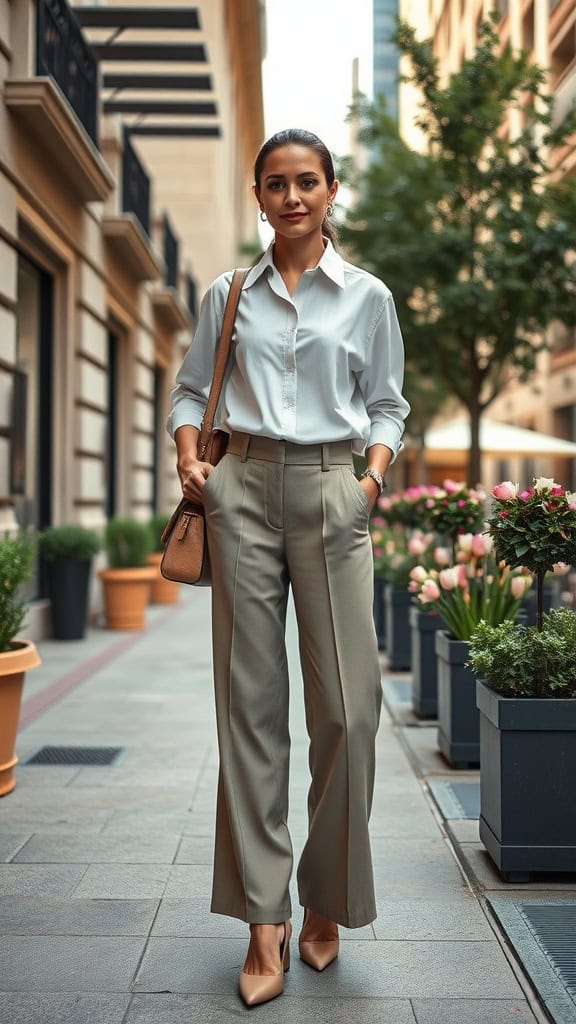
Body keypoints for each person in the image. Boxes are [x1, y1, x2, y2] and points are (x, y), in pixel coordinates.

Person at [167, 128, 410, 1006]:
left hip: (332, 492)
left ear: (333, 190)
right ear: (259, 196)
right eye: (276, 183)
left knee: (349, 711)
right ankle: (264, 924)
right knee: (251, 707)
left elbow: (388, 405)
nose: (293, 196)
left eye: (308, 181)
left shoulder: (368, 297)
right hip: (241, 491)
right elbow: (193, 388)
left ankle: (327, 903)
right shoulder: (226, 292)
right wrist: (193, 459)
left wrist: (368, 484)